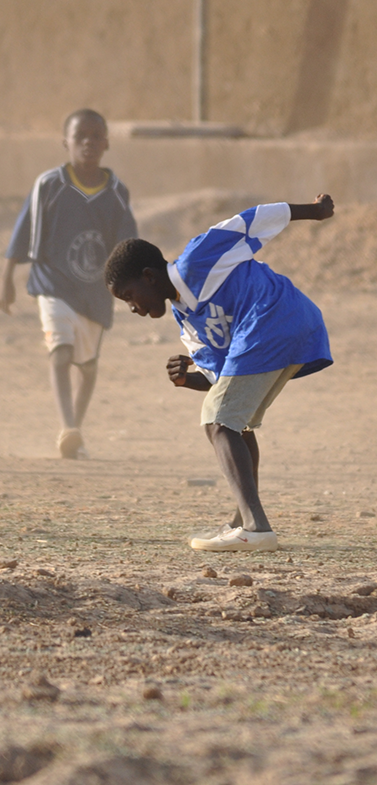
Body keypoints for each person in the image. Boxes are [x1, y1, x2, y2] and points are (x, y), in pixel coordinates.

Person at [104, 195, 335, 552]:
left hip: (272, 317)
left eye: (130, 296)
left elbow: (254, 219)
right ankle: (243, 521)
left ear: (149, 277)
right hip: (291, 327)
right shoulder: (187, 323)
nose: (133, 308)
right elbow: (220, 377)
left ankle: (256, 528)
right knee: (235, 422)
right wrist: (185, 380)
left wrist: (314, 212)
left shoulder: (198, 257)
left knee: (218, 421)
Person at [0, 109, 137, 458]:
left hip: (94, 293)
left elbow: (127, 247)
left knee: (87, 368)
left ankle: (75, 430)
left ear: (105, 143)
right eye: (80, 137)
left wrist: (133, 287)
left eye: (95, 136)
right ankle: (68, 427)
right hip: (52, 284)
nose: (88, 143)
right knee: (60, 352)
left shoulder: (117, 192)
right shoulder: (49, 185)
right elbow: (22, 231)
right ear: (66, 143)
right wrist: (7, 281)